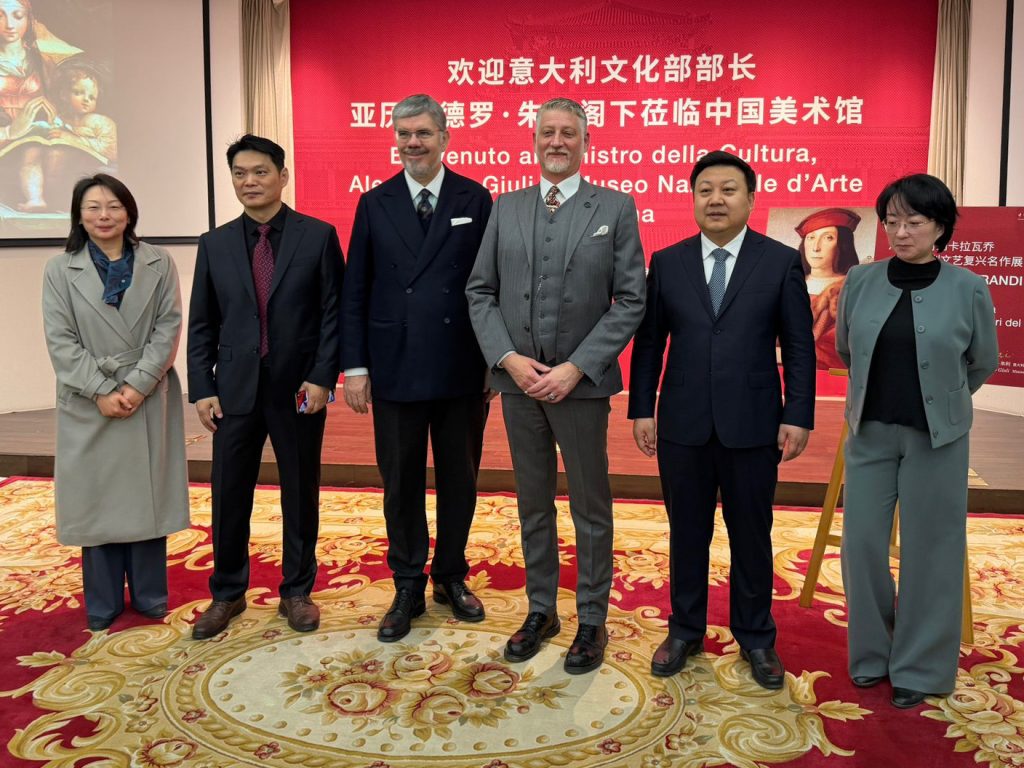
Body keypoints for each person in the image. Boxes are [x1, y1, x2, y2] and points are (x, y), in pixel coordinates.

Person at [466, 97, 646, 674]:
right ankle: (541, 609)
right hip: (519, 385)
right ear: (534, 140)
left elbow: (631, 299)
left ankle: (592, 618)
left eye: (569, 133)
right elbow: (480, 291)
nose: (557, 142)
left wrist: (577, 367)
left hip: (581, 388)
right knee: (532, 502)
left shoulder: (615, 207)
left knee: (591, 506)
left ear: (586, 142)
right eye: (548, 132)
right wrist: (508, 360)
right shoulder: (506, 206)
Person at [628, 150, 815, 690]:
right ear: (692, 199)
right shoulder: (668, 262)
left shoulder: (779, 261)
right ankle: (685, 629)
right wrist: (642, 407)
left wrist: (798, 413)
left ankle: (756, 636)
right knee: (687, 532)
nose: (716, 199)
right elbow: (650, 343)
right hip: (682, 423)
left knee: (751, 534)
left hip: (754, 424)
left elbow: (798, 346)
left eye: (728, 190)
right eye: (705, 189)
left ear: (750, 200)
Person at [836, 174, 998, 709]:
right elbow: (846, 348)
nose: (900, 232)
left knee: (932, 549)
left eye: (914, 222)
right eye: (892, 221)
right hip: (870, 434)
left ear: (940, 227)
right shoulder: (860, 280)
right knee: (861, 545)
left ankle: (921, 667)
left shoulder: (968, 287)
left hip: (938, 438)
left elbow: (982, 361)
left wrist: (944, 400)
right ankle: (871, 654)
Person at [341, 94, 493, 642]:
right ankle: (407, 581)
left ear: (445, 137)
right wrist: (355, 366)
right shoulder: (374, 202)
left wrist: (494, 361)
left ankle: (450, 574)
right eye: (404, 134)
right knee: (400, 481)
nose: (413, 143)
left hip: (461, 364)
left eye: (423, 133)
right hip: (395, 364)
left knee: (460, 478)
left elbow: (490, 286)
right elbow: (355, 289)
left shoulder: (475, 197)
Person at [187, 134, 344, 639]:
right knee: (229, 492)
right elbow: (202, 322)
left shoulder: (317, 236)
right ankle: (227, 593)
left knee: (300, 490)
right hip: (234, 390)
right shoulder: (214, 244)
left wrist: (323, 377)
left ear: (282, 176)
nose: (249, 181)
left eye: (259, 172)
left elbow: (333, 314)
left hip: (299, 389)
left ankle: (297, 590)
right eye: (240, 173)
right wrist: (202, 386)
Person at [41, 173, 189, 632]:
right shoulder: (59, 269)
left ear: (129, 212)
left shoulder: (159, 262)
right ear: (79, 216)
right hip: (89, 398)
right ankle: (102, 601)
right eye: (93, 207)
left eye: (114, 206)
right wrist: (101, 390)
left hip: (147, 393)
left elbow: (168, 328)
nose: (104, 216)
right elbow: (60, 340)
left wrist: (138, 385)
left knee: (147, 496)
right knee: (98, 498)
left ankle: (150, 595)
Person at [0, 0, 81, 210]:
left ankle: (55, 204)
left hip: (39, 131)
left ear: (29, 19)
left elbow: (59, 98)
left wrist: (56, 115)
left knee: (58, 153)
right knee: (32, 149)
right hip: (7, 140)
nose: (9, 24)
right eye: (0, 16)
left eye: (18, 16)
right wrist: (10, 131)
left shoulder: (41, 60)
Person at [795, 208, 861, 370]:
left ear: (843, 245)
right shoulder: (789, 283)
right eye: (811, 238)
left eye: (828, 238)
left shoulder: (851, 289)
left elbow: (837, 352)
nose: (816, 247)